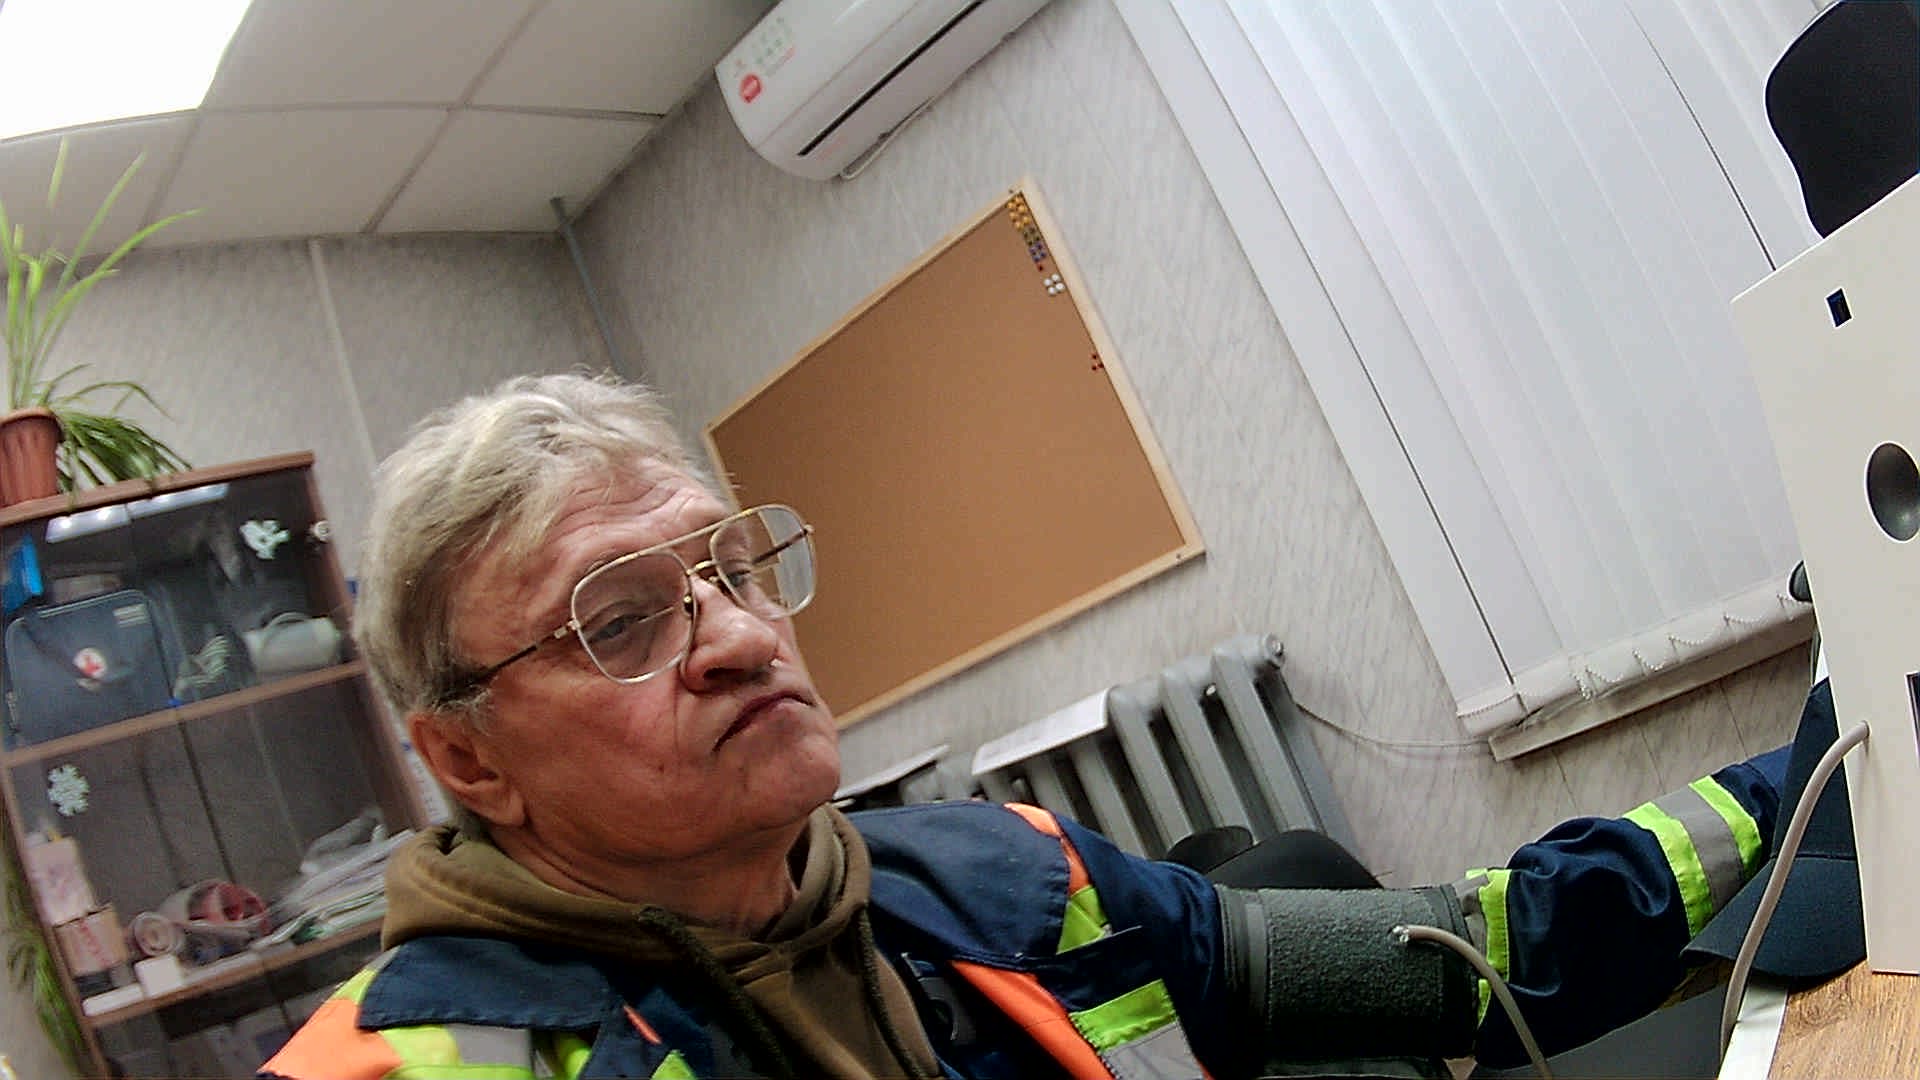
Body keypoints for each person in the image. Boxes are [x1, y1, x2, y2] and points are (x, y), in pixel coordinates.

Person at [261, 372, 1793, 1080]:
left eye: (732, 566)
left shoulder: (1009, 877)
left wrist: (1818, 783)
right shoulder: (403, 1071)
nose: (733, 634)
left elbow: (1459, 960)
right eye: (622, 619)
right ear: (467, 757)